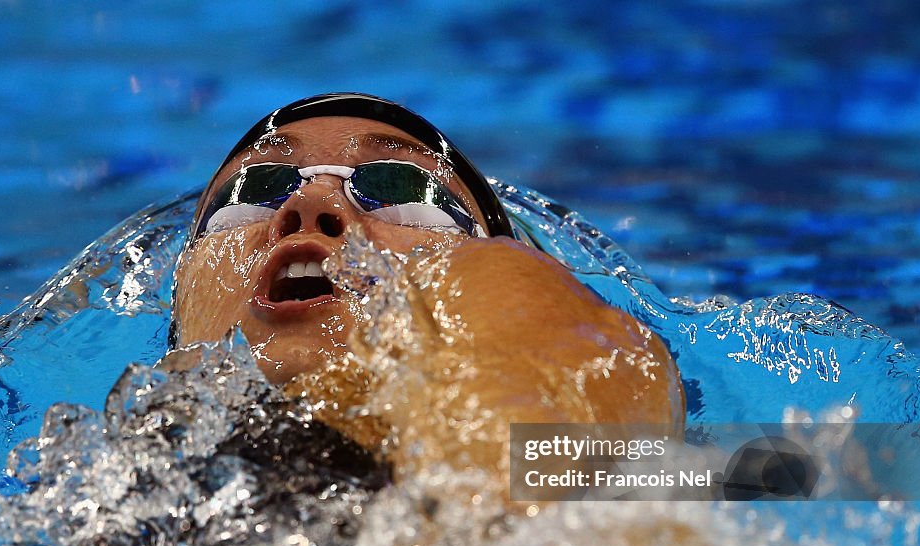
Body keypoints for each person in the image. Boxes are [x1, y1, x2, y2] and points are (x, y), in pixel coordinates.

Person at [168, 93, 685, 486]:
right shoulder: (102, 471)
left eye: (400, 188)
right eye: (252, 194)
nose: (311, 205)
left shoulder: (492, 274)